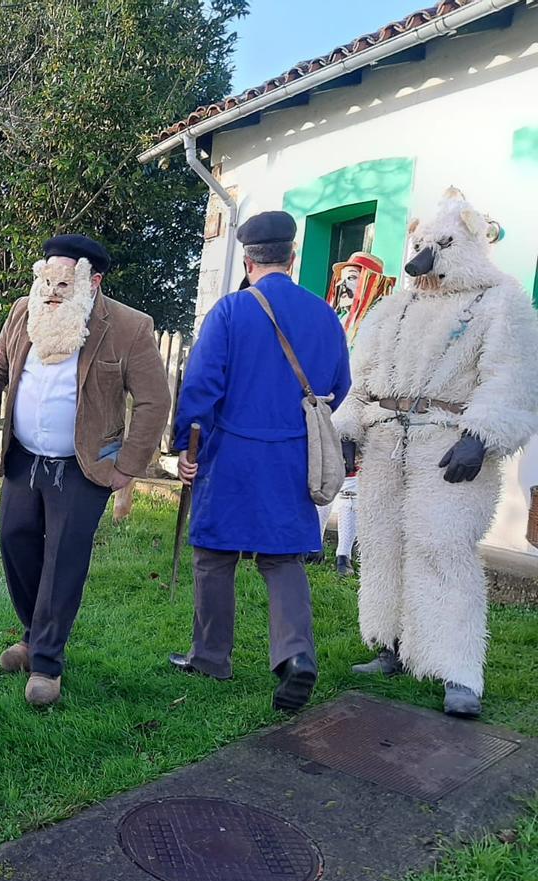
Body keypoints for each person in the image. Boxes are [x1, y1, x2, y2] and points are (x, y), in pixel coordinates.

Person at [336, 190, 538, 718]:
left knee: (443, 547)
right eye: (421, 245)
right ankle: (391, 644)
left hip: (448, 445)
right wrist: (349, 424)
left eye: (439, 246)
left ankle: (458, 670)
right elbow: (363, 374)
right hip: (387, 442)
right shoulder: (396, 308)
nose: (422, 260)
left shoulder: (500, 301)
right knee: (382, 543)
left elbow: (512, 375)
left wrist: (481, 434)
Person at [0, 235, 170, 706]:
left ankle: (48, 663)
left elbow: (155, 400)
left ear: (92, 282)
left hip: (84, 466)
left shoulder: (128, 327)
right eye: (46, 279)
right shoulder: (23, 311)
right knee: (15, 541)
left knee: (63, 559)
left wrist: (127, 467)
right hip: (23, 457)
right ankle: (34, 634)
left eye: (64, 281)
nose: (52, 290)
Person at [169, 211, 350, 712]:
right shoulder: (325, 315)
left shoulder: (228, 313)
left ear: (248, 261)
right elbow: (339, 385)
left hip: (230, 456)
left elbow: (201, 389)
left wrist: (187, 448)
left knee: (213, 557)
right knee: (282, 559)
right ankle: (295, 656)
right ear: (291, 259)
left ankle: (210, 656)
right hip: (293, 455)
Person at [309, 252, 396, 576]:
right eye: (345, 277)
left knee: (351, 481)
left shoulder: (383, 325)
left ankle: (344, 553)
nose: (347, 283)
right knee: (324, 473)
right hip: (331, 404)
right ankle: (314, 544)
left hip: (363, 408)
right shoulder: (336, 317)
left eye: (354, 277)